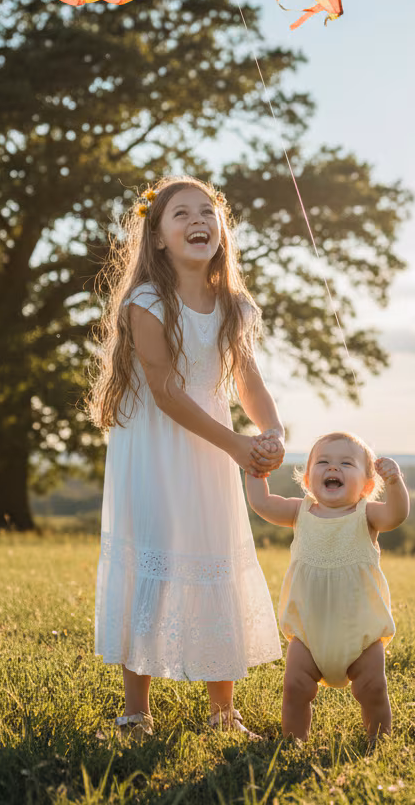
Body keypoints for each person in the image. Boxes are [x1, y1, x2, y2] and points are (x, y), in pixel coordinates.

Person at [89, 175, 284, 742]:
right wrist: (236, 447)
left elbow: (248, 381)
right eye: (182, 214)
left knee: (213, 555)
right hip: (155, 446)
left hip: (212, 448)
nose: (198, 221)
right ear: (157, 238)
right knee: (152, 557)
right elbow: (167, 393)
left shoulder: (234, 306)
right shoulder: (146, 301)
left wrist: (268, 432)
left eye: (207, 212)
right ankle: (135, 713)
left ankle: (223, 713)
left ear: (222, 230)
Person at [244, 431, 409, 743]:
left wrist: (397, 483)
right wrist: (256, 470)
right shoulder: (300, 512)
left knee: (372, 688)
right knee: (295, 687)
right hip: (309, 635)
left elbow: (396, 515)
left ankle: (379, 740)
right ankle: (294, 741)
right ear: (307, 480)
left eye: (347, 463)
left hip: (361, 635)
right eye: (323, 462)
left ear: (368, 485)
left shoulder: (366, 515)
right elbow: (263, 503)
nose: (334, 468)